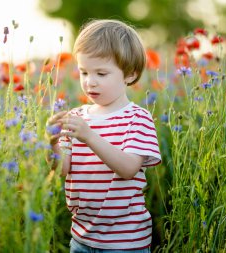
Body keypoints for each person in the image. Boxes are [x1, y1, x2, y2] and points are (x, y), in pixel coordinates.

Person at [46, 19, 162, 252]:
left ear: (130, 74)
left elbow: (129, 168)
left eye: (101, 73)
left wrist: (89, 136)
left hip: (125, 239)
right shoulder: (77, 116)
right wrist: (53, 142)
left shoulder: (137, 118)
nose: (90, 82)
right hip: (81, 236)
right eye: (84, 72)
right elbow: (62, 169)